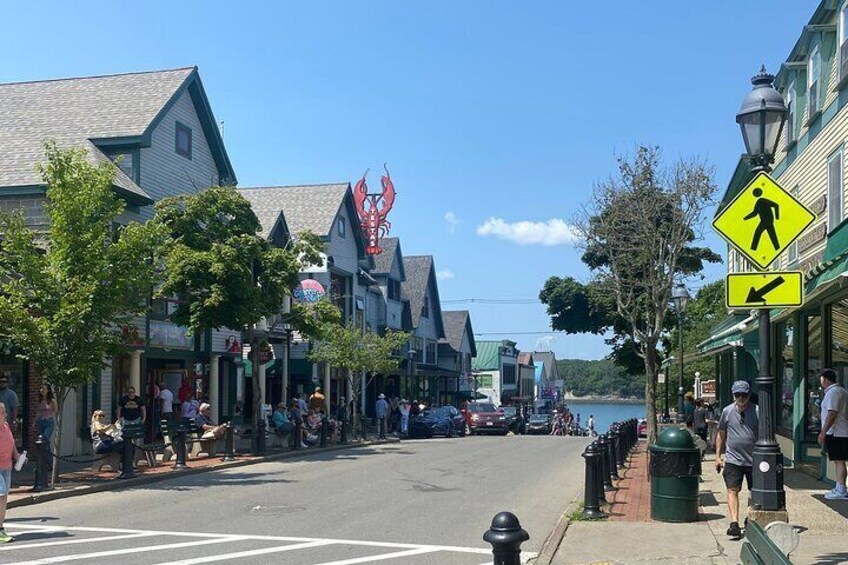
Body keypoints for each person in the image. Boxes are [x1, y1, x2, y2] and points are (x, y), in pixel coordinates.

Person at [715, 380, 758, 539]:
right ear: (733, 395)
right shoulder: (727, 411)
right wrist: (718, 457)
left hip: (754, 460)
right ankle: (734, 523)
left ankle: (749, 517)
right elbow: (721, 434)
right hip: (733, 459)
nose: (741, 397)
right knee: (733, 490)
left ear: (749, 394)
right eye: (737, 394)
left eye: (744, 394)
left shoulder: (758, 411)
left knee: (754, 492)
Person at [817, 369, 848, 500]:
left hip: (836, 432)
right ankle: (839, 487)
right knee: (839, 461)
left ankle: (841, 489)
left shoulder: (833, 392)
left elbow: (832, 413)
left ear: (824, 379)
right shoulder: (842, 391)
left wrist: (823, 432)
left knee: (839, 461)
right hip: (841, 431)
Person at [0, 403, 21, 543]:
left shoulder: (6, 425)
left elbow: (11, 442)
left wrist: (17, 455)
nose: (5, 414)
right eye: (2, 412)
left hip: (7, 466)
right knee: (1, 497)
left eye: (4, 412)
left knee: (4, 497)